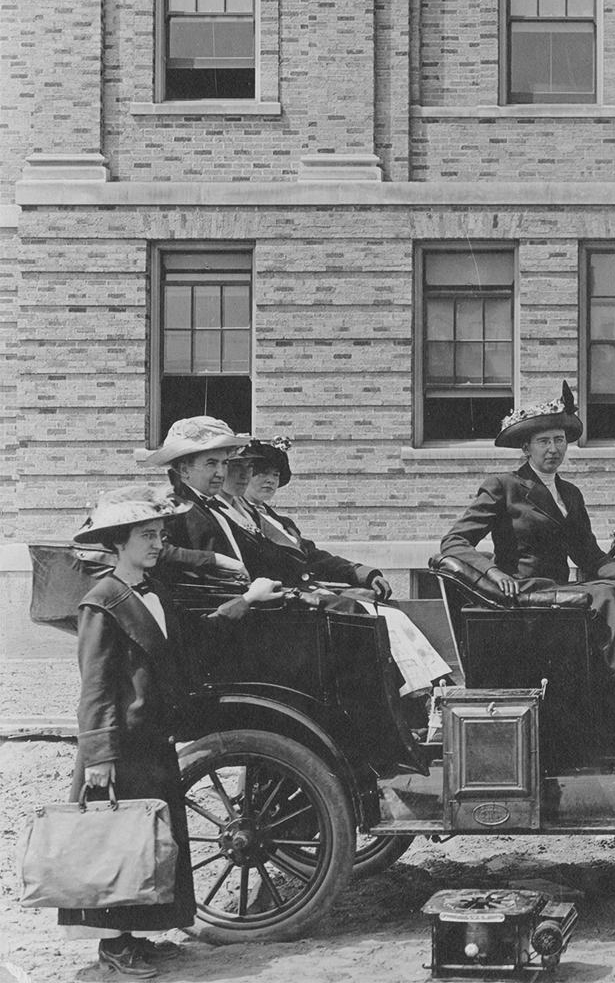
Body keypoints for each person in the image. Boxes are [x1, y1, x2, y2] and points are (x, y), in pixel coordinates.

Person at [439, 382, 615, 711]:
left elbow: (590, 556)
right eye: (544, 441)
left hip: (558, 591)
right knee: (603, 595)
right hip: (522, 592)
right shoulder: (503, 487)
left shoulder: (571, 494)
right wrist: (491, 571)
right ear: (526, 448)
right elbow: (453, 542)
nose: (553, 449)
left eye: (559, 440)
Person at [58, 486, 199, 978]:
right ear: (118, 542)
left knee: (150, 842)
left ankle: (137, 938)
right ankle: (113, 949)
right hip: (118, 747)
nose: (158, 543)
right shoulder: (101, 602)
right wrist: (98, 755)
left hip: (152, 741)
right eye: (146, 535)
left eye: (160, 534)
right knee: (115, 845)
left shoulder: (155, 593)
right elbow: (95, 687)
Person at [233, 437, 455, 733]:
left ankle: (434, 698)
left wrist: (362, 573)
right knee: (381, 620)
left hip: (315, 596)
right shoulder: (240, 520)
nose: (269, 480)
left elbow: (315, 557)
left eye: (275, 474)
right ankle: (422, 707)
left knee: (395, 614)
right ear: (242, 475)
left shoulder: (279, 521)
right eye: (260, 472)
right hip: (287, 609)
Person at [145, 416, 283, 619]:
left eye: (224, 463)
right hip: (205, 620)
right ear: (184, 470)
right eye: (211, 463)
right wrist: (215, 560)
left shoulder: (211, 505)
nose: (221, 472)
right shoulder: (173, 507)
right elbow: (157, 552)